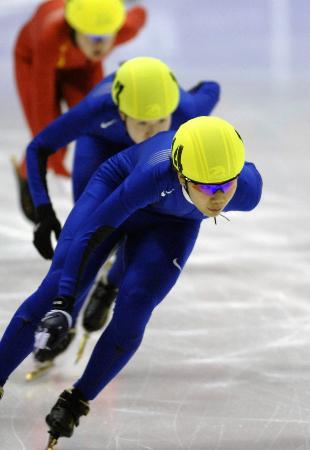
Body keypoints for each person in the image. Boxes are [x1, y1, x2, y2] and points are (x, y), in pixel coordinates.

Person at [0, 116, 262, 448]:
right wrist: (63, 303)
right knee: (59, 286)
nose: (219, 197)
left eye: (228, 184)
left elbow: (209, 92)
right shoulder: (153, 175)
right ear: (181, 174)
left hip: (172, 223)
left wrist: (81, 397)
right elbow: (93, 232)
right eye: (208, 187)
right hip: (117, 192)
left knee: (137, 303)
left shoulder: (249, 190)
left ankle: (78, 398)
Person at [24, 56, 220, 369]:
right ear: (121, 111)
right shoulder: (98, 109)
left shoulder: (187, 110)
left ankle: (111, 283)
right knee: (95, 233)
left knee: (142, 228)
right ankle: (68, 316)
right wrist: (43, 210)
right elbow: (38, 148)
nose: (151, 131)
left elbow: (211, 89)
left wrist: (190, 91)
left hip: (156, 160)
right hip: (102, 145)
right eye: (141, 122)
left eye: (159, 121)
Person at [13, 0, 146, 222]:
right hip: (34, 63)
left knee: (99, 124)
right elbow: (42, 104)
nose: (101, 47)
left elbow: (139, 14)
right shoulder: (51, 35)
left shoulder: (124, 29)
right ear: (75, 30)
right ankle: (26, 171)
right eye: (93, 38)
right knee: (57, 139)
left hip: (82, 67)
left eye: (107, 37)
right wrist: (50, 157)